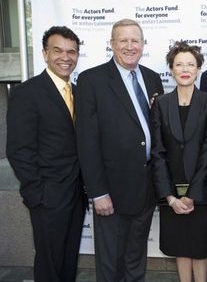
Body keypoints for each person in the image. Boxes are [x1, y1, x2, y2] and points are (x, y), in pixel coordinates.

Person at [75, 19, 164, 281]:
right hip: (111, 191)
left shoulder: (152, 78)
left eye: (135, 40)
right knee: (111, 262)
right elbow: (87, 141)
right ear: (111, 44)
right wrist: (98, 192)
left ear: (143, 44)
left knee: (136, 258)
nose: (129, 46)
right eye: (122, 40)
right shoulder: (92, 80)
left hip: (146, 188)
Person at [6, 26, 86, 282]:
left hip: (76, 193)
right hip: (47, 195)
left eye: (71, 51)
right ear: (44, 54)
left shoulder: (78, 92)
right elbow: (19, 150)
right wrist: (37, 193)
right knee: (49, 263)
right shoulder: (26, 93)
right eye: (58, 50)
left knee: (68, 259)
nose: (66, 57)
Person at [151, 41, 207, 282]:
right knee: (180, 245)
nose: (185, 68)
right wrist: (169, 197)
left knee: (199, 247)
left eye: (191, 64)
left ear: (199, 69)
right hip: (171, 191)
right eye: (179, 64)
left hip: (200, 191)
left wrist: (193, 194)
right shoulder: (161, 104)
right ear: (171, 69)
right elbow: (157, 151)